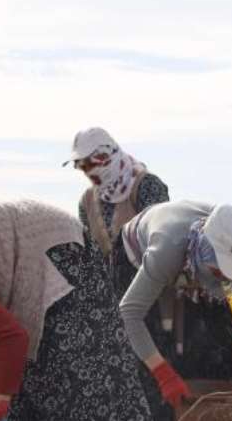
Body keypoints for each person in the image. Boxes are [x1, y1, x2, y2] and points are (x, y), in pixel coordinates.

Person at [0, 200, 160, 421]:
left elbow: (10, 338)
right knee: (25, 393)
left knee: (81, 385)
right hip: (18, 260)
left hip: (60, 252)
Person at [117, 201, 232, 421]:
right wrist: (162, 373)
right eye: (222, 272)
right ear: (207, 252)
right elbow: (129, 314)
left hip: (194, 262)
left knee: (223, 355)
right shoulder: (167, 250)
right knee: (148, 364)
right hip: (137, 256)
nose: (228, 278)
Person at [65, 127, 171, 299]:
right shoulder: (87, 200)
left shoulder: (146, 185)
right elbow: (89, 252)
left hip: (149, 291)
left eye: (90, 164)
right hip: (108, 296)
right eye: (81, 166)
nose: (86, 171)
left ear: (105, 157)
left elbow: (160, 242)